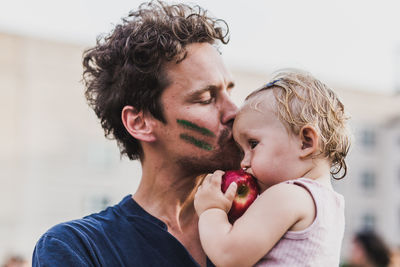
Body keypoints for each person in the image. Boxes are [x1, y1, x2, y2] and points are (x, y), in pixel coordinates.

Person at [32, 1, 241, 266]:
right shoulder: (79, 247)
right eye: (205, 98)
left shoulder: (265, 219)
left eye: (229, 91)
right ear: (140, 122)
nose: (235, 111)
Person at [194, 70, 352, 266]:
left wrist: (211, 209)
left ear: (306, 142)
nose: (243, 162)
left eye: (252, 144)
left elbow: (228, 255)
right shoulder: (331, 205)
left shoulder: (287, 195)